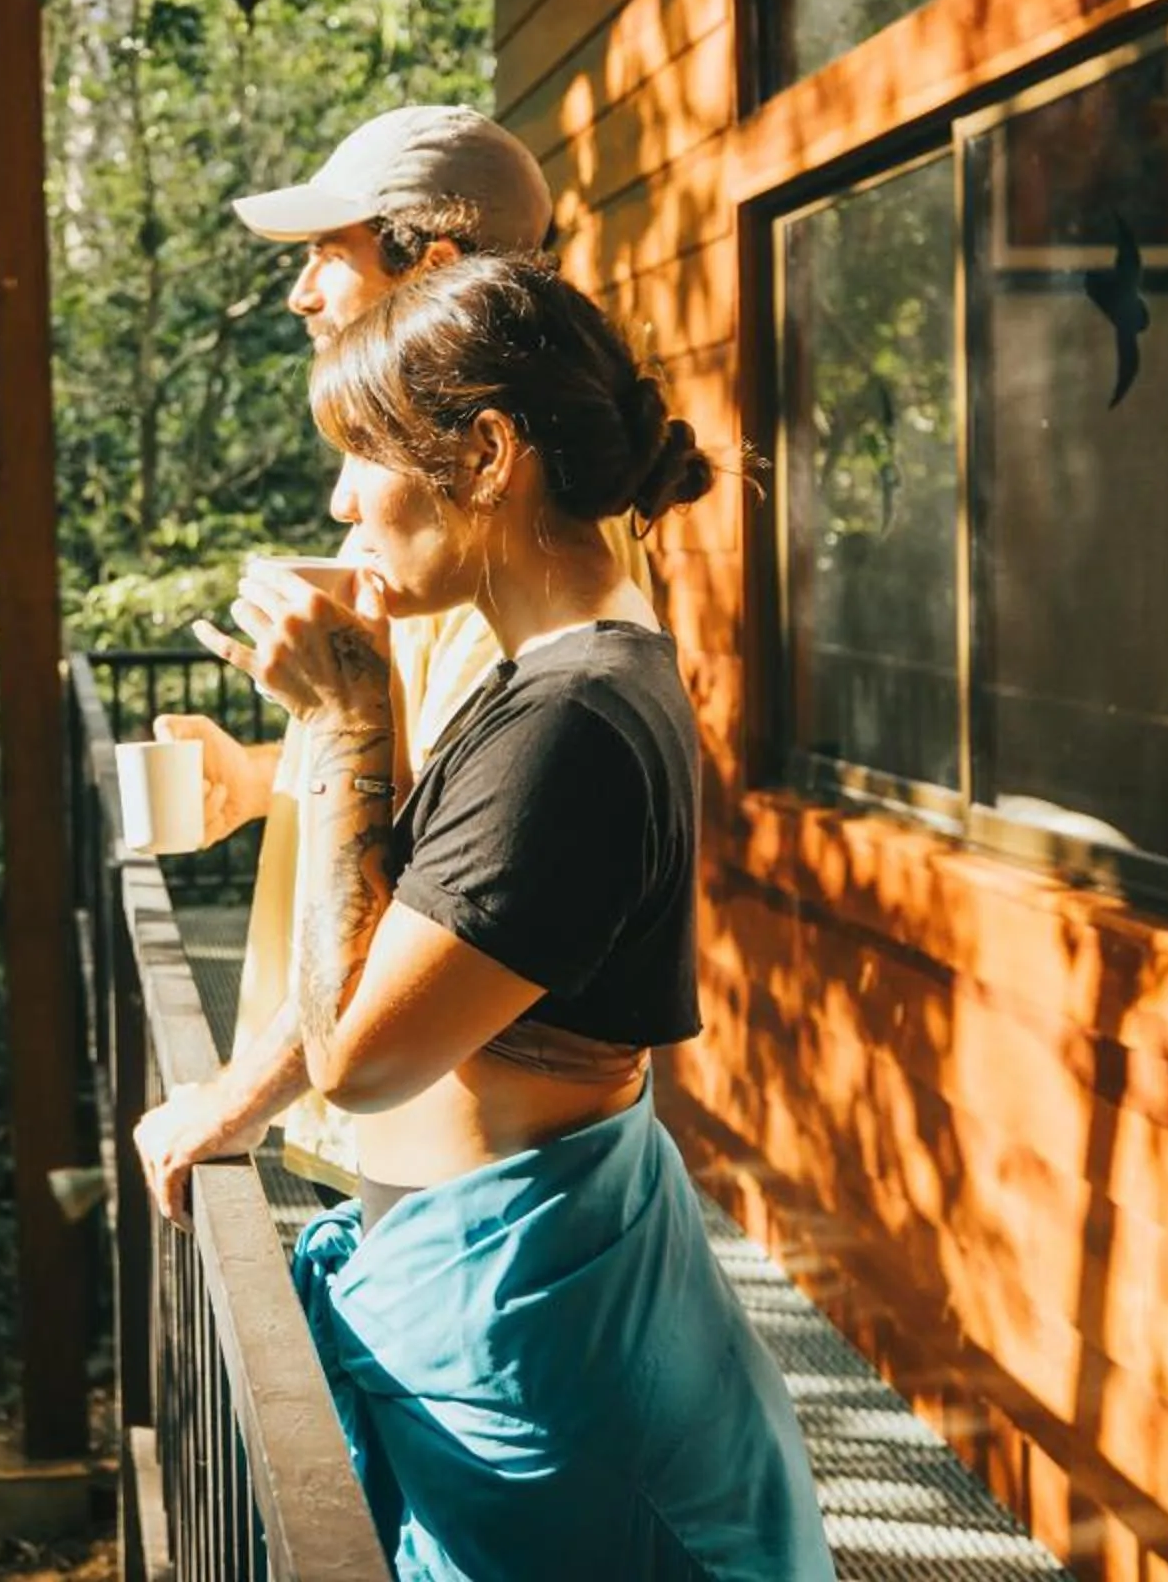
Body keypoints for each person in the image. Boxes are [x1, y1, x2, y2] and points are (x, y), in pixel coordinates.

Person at [197, 256, 830, 1582]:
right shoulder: (553, 679)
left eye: (363, 454)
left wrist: (345, 720)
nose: (341, 502)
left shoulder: (571, 720)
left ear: (487, 454)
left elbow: (358, 1056)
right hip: (522, 1312)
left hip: (550, 1361)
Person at [137, 103, 647, 1204]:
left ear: (437, 267)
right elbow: (442, 799)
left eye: (329, 251)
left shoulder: (499, 566)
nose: (300, 292)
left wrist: (232, 1103)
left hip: (441, 1156)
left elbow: (452, 879)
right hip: (399, 1138)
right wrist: (263, 780)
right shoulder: (469, 535)